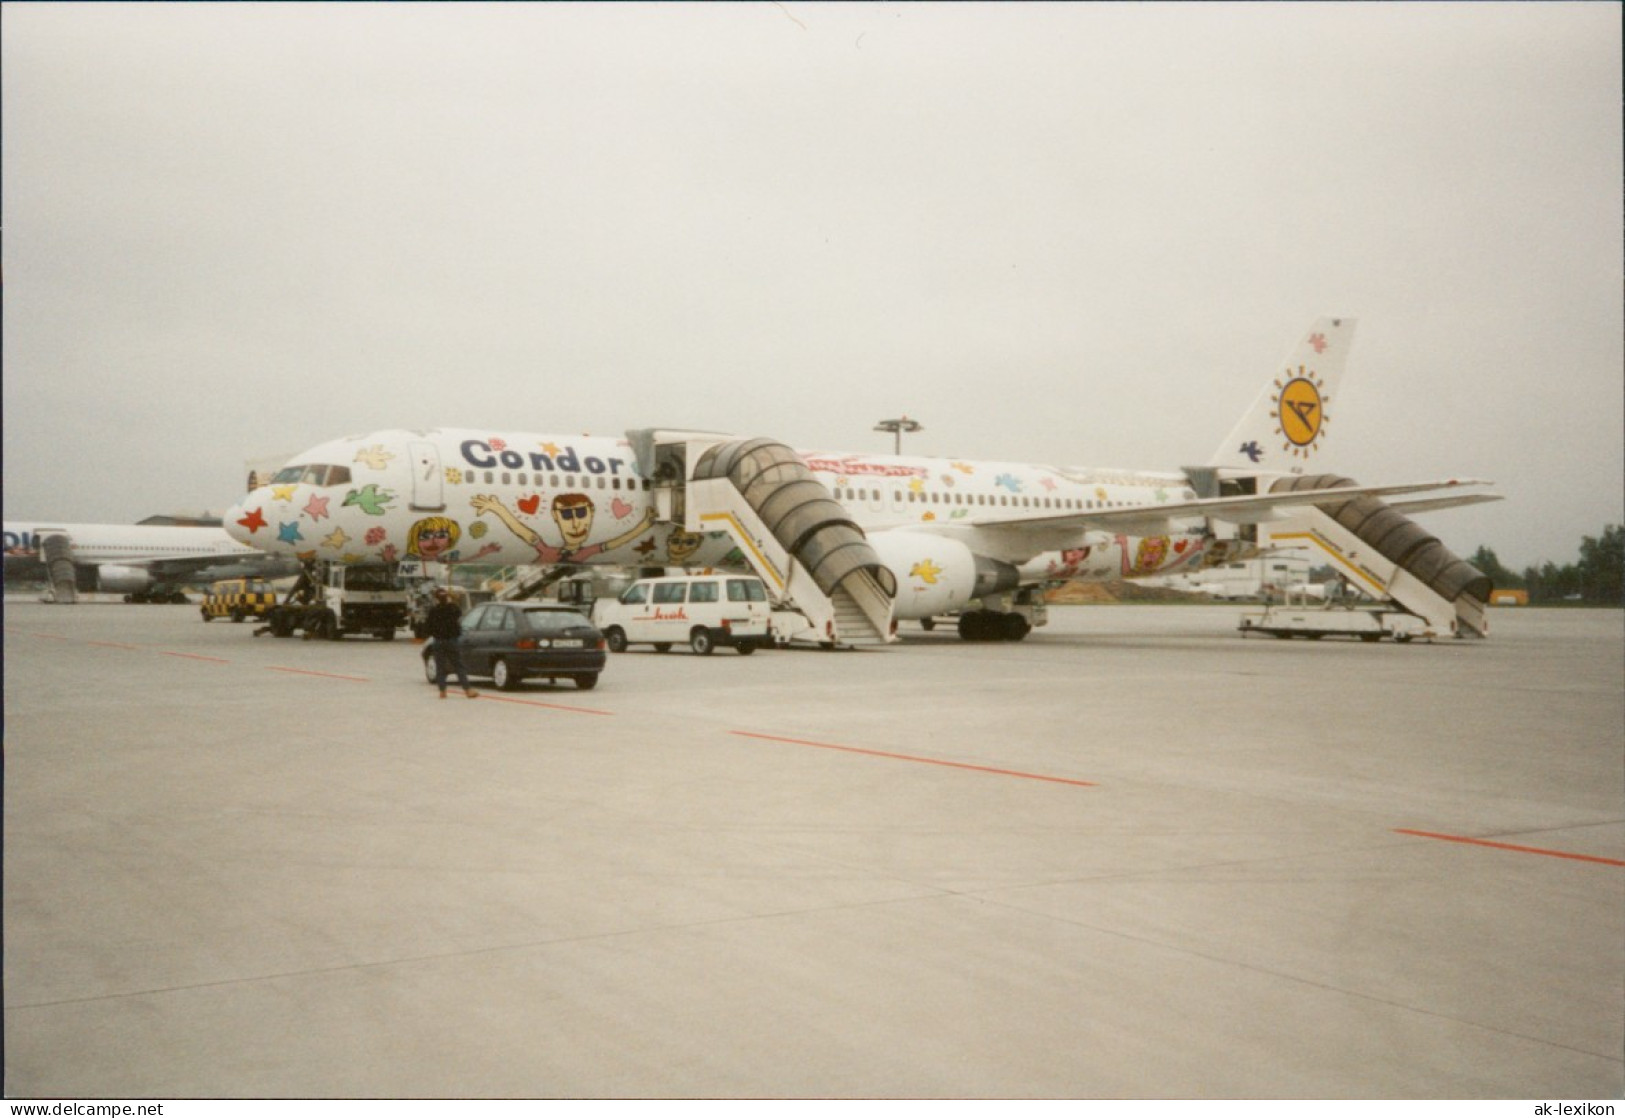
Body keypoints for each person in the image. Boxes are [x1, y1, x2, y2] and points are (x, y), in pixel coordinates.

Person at [425, 587, 476, 699]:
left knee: (440, 666)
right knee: (458, 665)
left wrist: (435, 633)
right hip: (452, 640)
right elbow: (459, 613)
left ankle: (442, 691)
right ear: (446, 597)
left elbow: (428, 627)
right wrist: (452, 600)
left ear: (436, 599)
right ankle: (467, 689)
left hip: (438, 641)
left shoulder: (433, 611)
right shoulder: (452, 608)